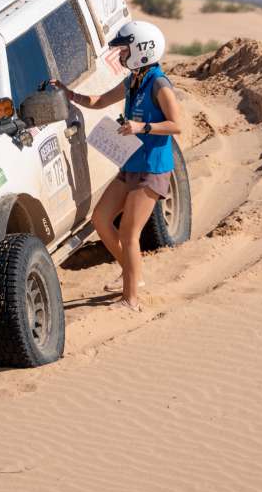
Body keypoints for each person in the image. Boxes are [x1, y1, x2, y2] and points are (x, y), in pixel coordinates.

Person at [50, 20, 185, 311]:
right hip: (130, 164)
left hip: (152, 169)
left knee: (128, 232)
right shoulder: (134, 80)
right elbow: (98, 101)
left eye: (125, 50)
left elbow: (177, 125)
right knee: (101, 219)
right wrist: (68, 94)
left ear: (141, 51)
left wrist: (141, 127)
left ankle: (131, 299)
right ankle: (133, 274)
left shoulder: (158, 83)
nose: (121, 55)